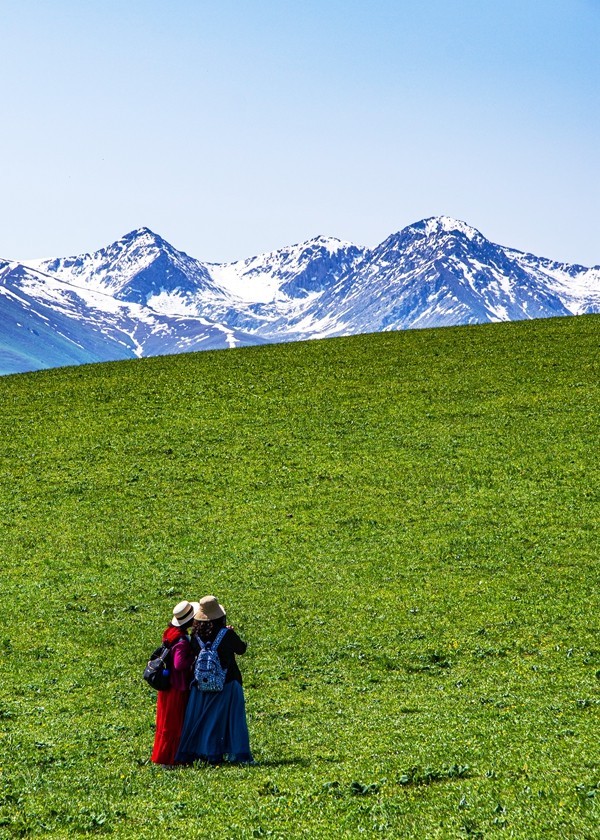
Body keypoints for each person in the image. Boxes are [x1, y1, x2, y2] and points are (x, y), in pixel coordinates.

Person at [175, 595, 253, 765]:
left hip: (202, 685)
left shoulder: (195, 635)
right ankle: (238, 754)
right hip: (228, 683)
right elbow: (241, 649)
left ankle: (208, 754)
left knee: (207, 721)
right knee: (233, 721)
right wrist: (230, 632)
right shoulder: (226, 634)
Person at [150, 600, 195, 766]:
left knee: (165, 722)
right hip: (177, 686)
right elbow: (179, 663)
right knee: (174, 723)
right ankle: (172, 758)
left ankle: (163, 755)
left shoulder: (170, 634)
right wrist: (193, 656)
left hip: (167, 686)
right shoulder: (182, 641)